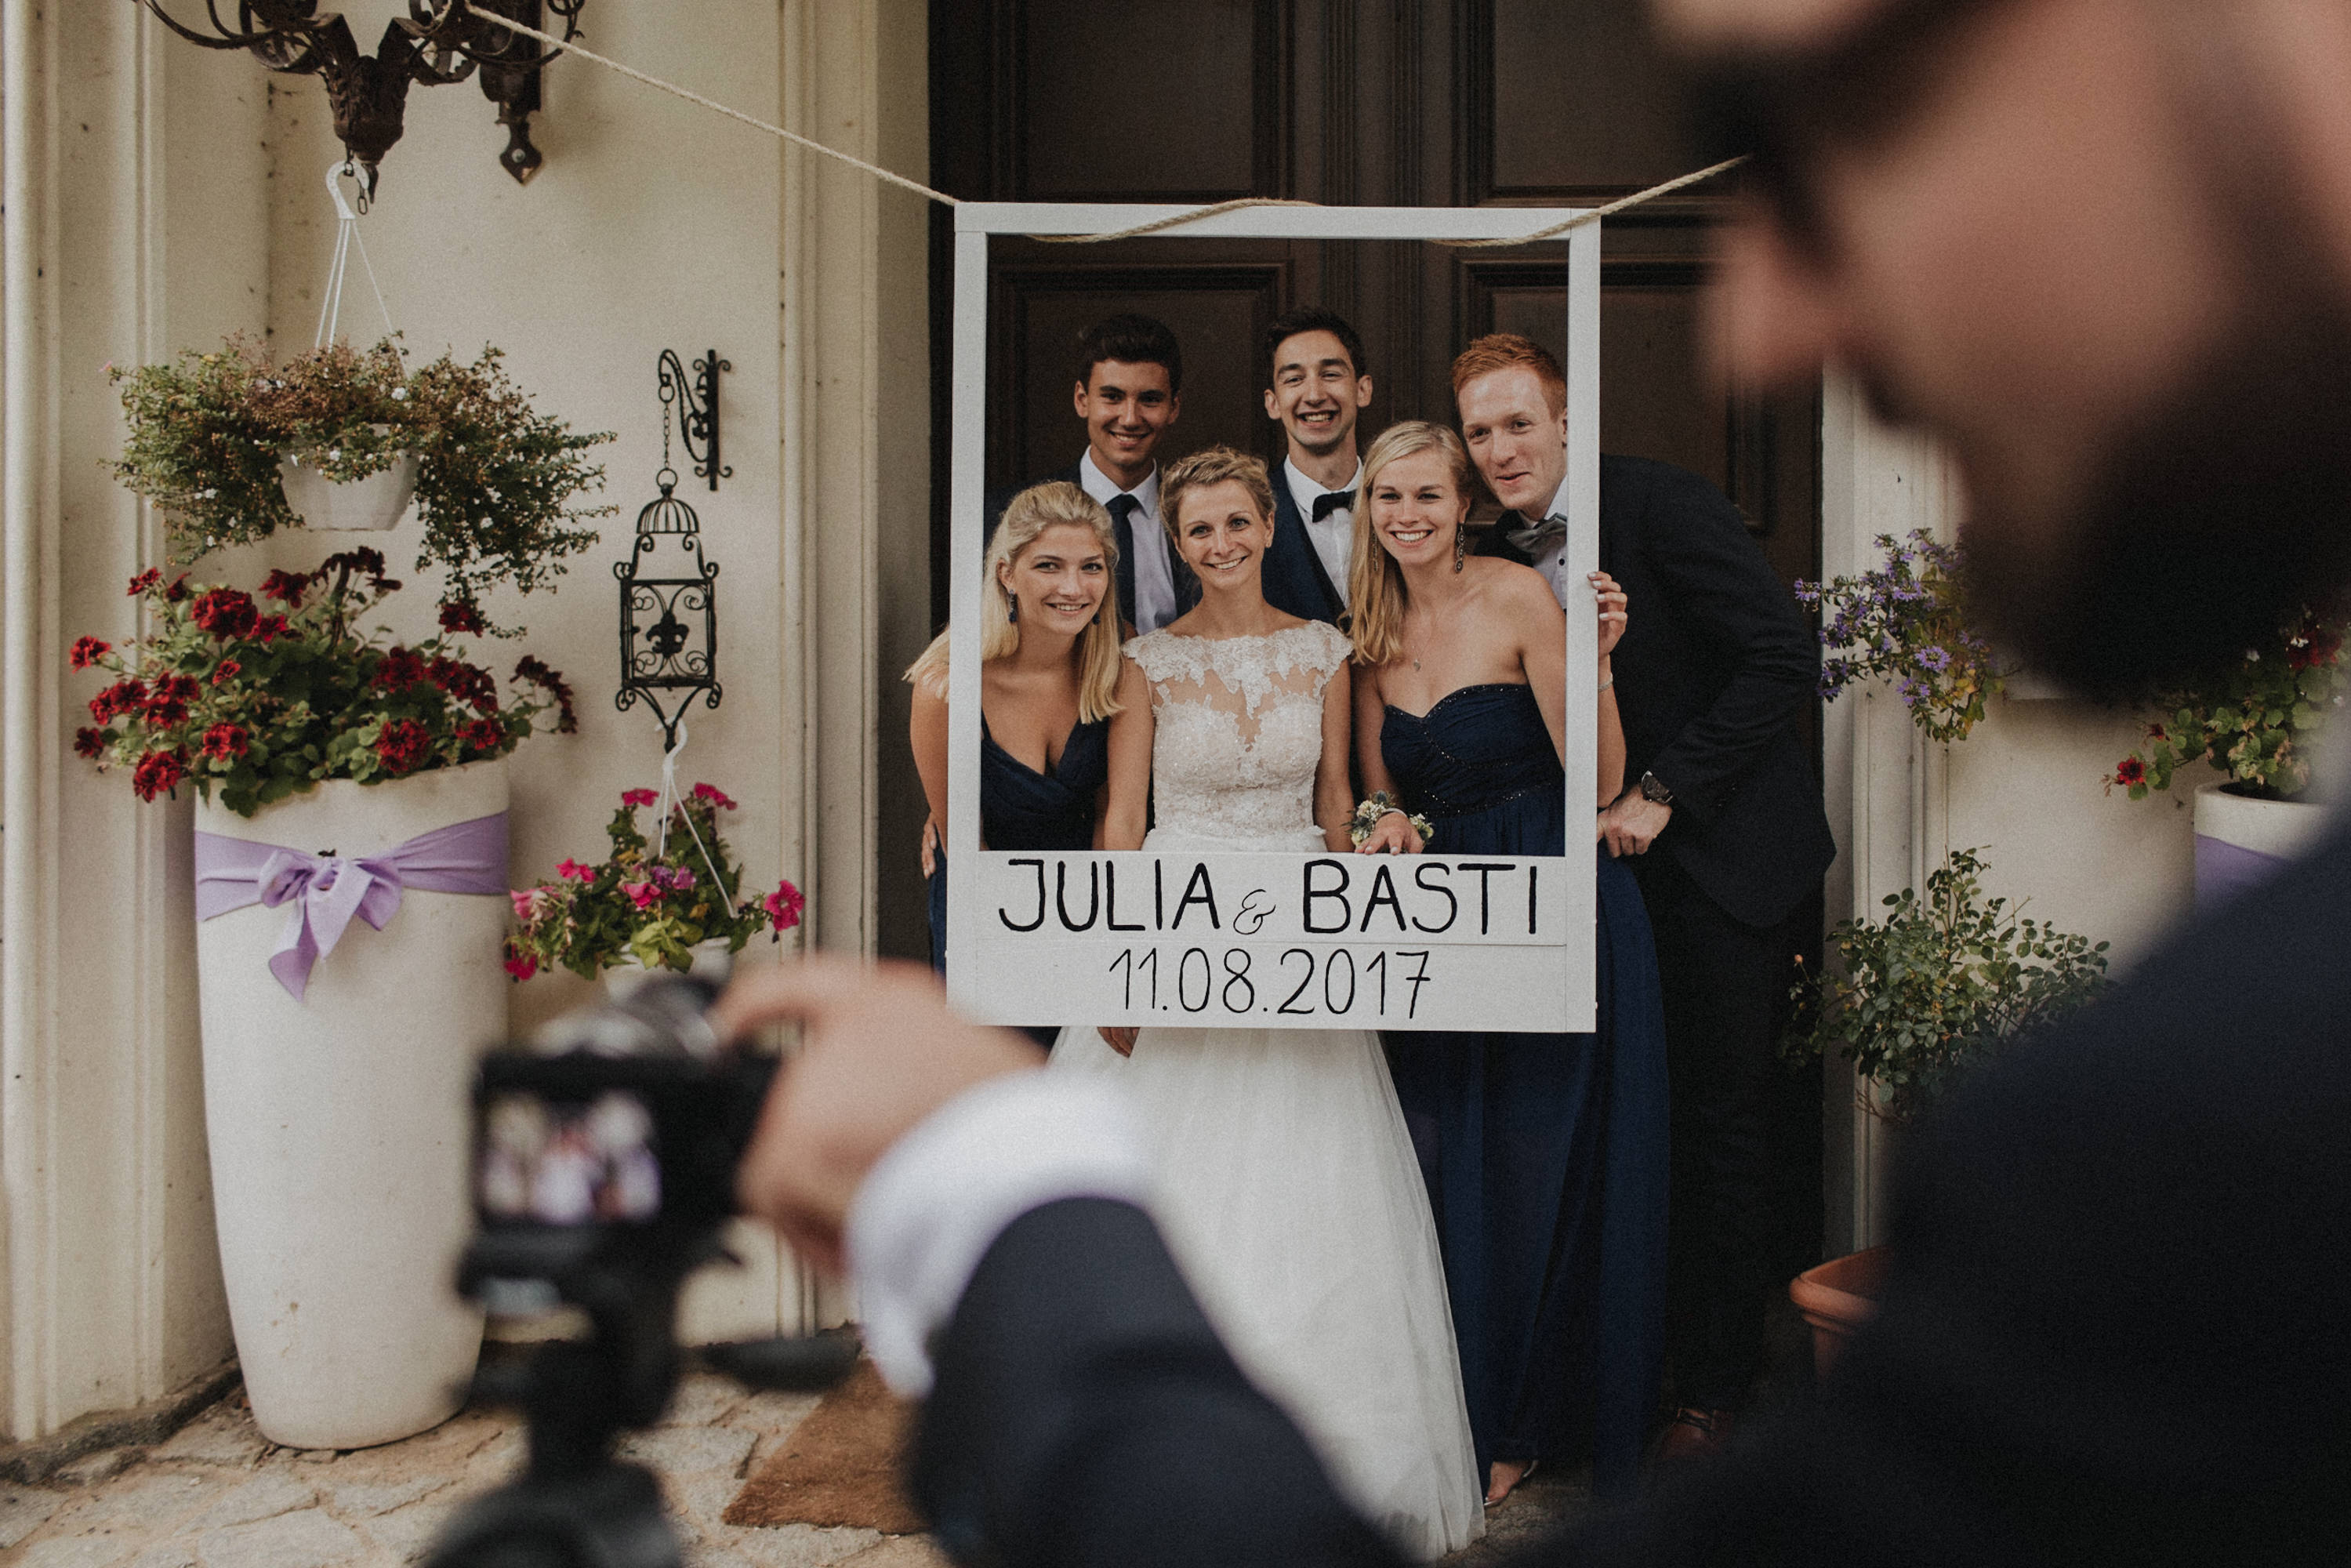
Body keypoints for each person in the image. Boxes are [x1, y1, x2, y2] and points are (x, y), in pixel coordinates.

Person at [720, 0, 2351, 1560]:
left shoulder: (2183, 1129)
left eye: (1866, 106)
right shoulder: (2208, 1118)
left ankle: (1654, 1388)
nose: (1763, 314)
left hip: (1596, 888)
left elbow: (1666, 719)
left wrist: (992, 1194)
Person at [1048, 445, 1484, 1559]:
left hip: (1300, 950)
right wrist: (1115, 968)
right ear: (1177, 543)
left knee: (1313, 1196)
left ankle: (1328, 1459)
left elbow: (1338, 798)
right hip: (1179, 944)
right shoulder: (1142, 659)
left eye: (1236, 524)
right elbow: (1121, 819)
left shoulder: (1325, 650)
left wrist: (1364, 895)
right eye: (1198, 531)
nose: (1220, 544)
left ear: (1262, 527)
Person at [1455, 332, 1835, 1456]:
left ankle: (1717, 1391)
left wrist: (1663, 791)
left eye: (1517, 423)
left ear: (1565, 422)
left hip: (1723, 864)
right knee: (1629, 1121)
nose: (1498, 449)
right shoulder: (1490, 550)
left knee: (1721, 1121)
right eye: (1478, 431)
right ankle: (1623, 1372)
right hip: (1600, 884)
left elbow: (1779, 655)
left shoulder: (1659, 505)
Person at [1345, 420, 1669, 1503]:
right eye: (1388, 498)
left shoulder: (1521, 596)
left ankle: (1524, 1422)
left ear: (1458, 502)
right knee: (1437, 1160)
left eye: (1427, 496)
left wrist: (1602, 668)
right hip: (1432, 927)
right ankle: (1454, 1401)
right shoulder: (1366, 629)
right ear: (1368, 509)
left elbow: (1597, 779)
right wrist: (1380, 818)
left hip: (1549, 893)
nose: (1408, 516)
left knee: (1539, 1162)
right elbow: (1365, 790)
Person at [906, 482, 1153, 1047]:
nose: (1073, 587)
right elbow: (964, 844)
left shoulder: (1120, 663)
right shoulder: (946, 687)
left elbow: (1116, 819)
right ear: (1005, 573)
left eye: (1091, 567)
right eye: (1048, 566)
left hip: (1091, 900)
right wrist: (1011, 958)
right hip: (985, 904)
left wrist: (1110, 953)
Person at [1014, 314, 1202, 637]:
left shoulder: (1197, 512)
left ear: (1174, 407)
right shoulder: (1012, 513)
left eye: (1150, 399)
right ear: (1081, 400)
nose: (1129, 418)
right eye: (1112, 397)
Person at [1258, 307, 1376, 625]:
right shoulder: (1248, 515)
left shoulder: (1406, 501)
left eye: (1331, 374)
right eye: (1294, 379)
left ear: (1362, 390)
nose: (1314, 395)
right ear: (1273, 402)